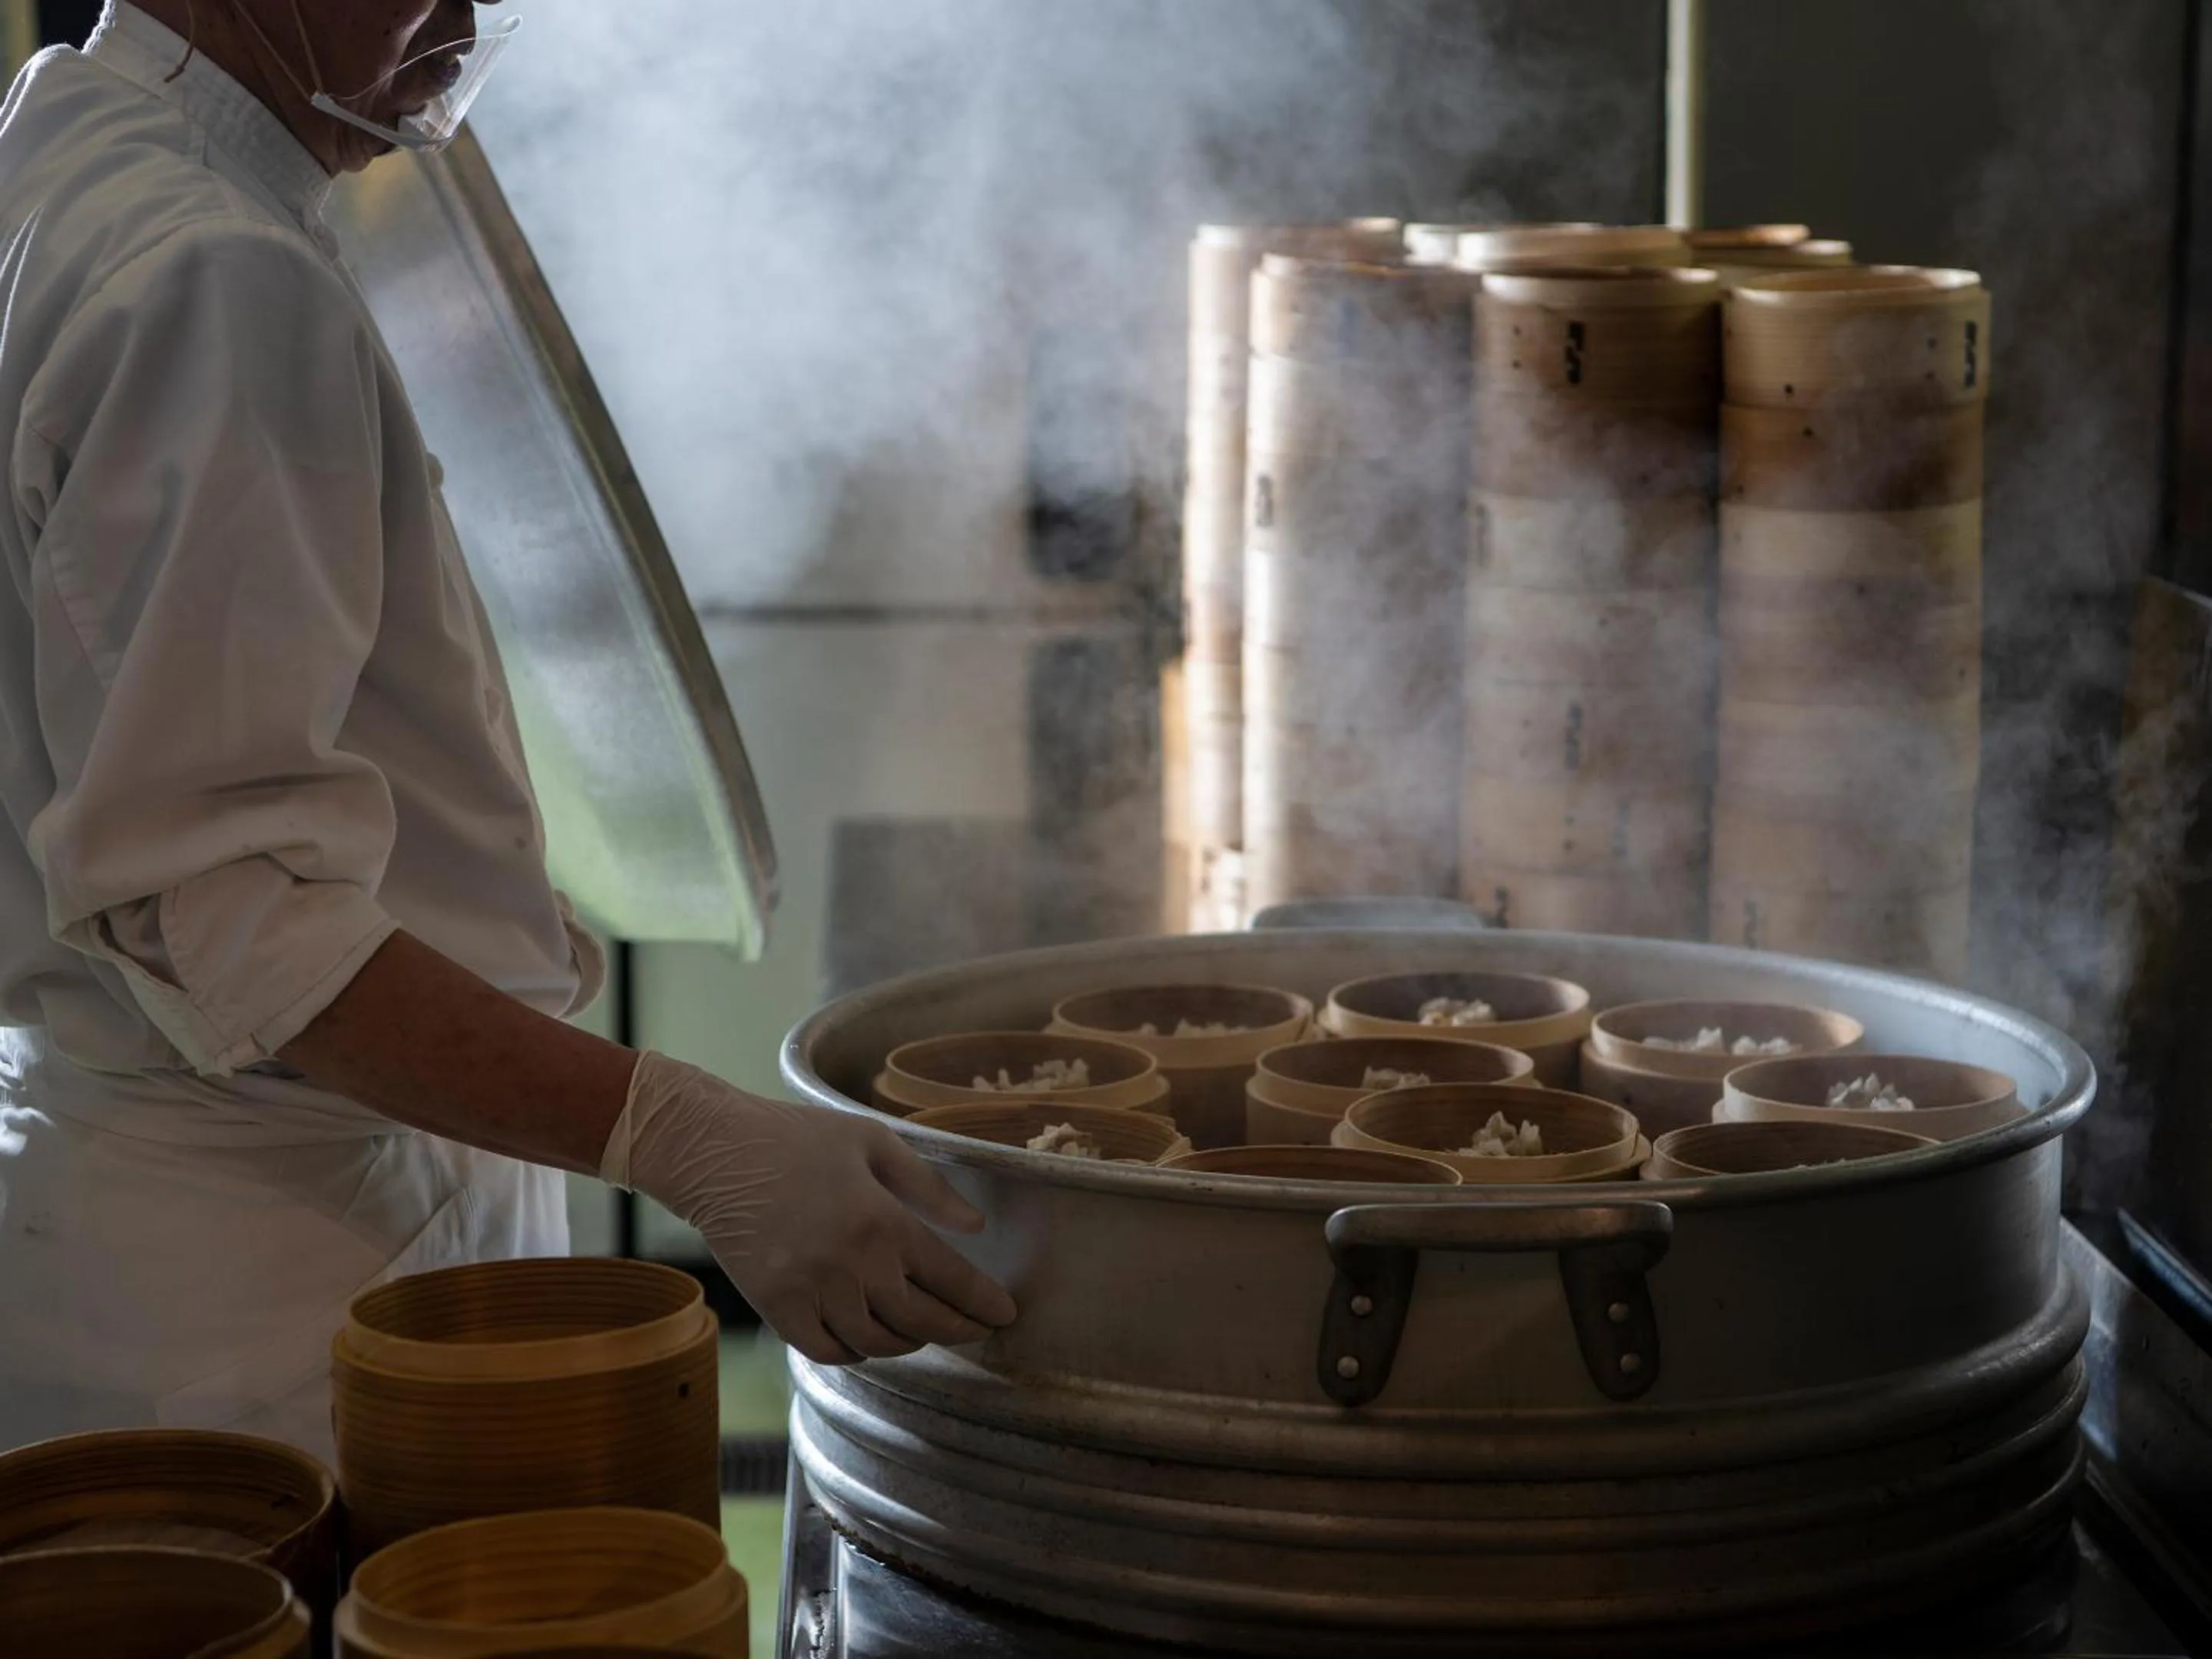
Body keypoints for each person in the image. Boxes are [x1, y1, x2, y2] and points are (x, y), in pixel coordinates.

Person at [0, 0, 1015, 1459]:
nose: (469, 18)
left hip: (139, 1220)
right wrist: (689, 1138)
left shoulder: (64, 136)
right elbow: (226, 916)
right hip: (269, 1302)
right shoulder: (219, 274)